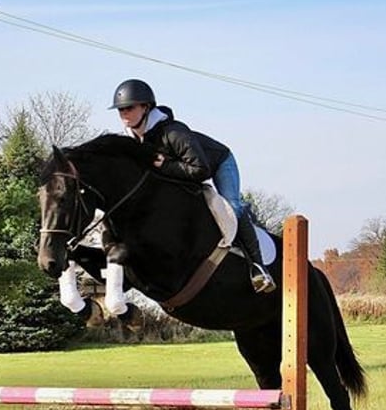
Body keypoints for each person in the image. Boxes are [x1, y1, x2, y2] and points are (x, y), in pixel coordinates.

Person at [110, 79, 276, 293]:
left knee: (232, 207)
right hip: (186, 171)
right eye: (120, 109)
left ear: (146, 107)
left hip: (218, 163)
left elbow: (201, 170)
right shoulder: (134, 140)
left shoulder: (173, 132)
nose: (124, 113)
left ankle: (258, 268)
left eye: (129, 107)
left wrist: (167, 166)